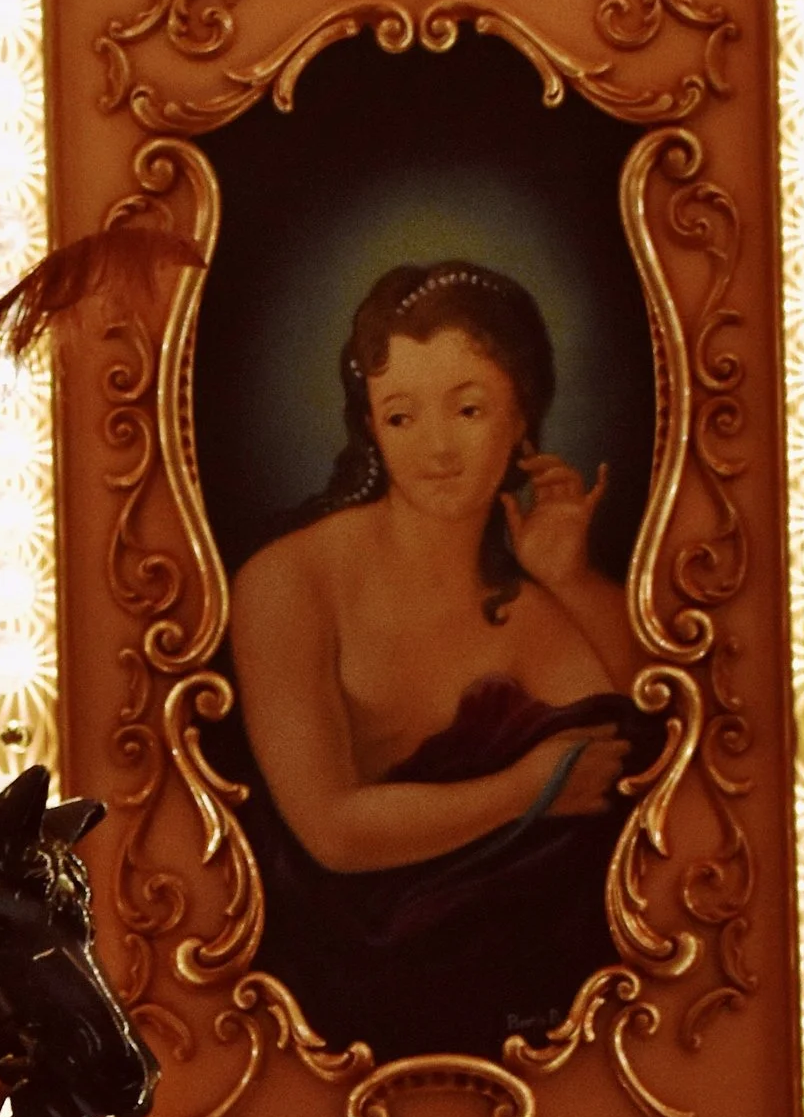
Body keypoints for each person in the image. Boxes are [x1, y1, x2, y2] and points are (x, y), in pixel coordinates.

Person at [222, 259, 657, 1059]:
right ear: (370, 426)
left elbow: (667, 755)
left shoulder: (540, 599)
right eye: (401, 416)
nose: (437, 448)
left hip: (561, 1018)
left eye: (469, 408)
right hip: (342, 994)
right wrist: (527, 790)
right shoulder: (289, 582)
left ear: (523, 416)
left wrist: (574, 578)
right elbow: (331, 830)